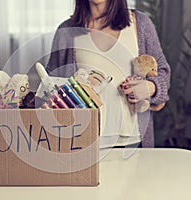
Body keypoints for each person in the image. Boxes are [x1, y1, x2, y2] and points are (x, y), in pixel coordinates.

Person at [46, 0, 171, 148]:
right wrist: (77, 86)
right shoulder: (66, 31)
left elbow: (162, 71)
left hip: (133, 141)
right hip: (84, 143)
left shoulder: (140, 23)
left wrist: (150, 87)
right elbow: (49, 86)